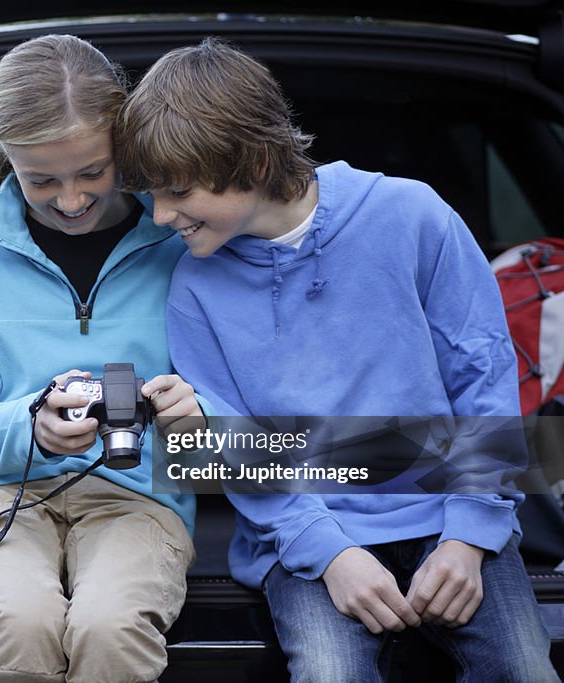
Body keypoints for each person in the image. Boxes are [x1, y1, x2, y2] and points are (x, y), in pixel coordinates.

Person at [115, 37, 559, 682]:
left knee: (523, 670)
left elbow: (485, 379)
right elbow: (227, 446)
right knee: (330, 673)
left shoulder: (412, 217)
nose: (159, 216)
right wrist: (329, 553)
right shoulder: (194, 287)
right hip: (305, 533)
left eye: (178, 190)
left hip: (451, 514)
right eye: (152, 194)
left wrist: (469, 535)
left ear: (257, 162)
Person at [0, 34, 202, 683]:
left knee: (110, 627)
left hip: (139, 495)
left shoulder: (178, 232)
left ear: (124, 149)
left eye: (93, 172)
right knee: (19, 622)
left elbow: (231, 396)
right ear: (4, 156)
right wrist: (33, 425)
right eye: (41, 178)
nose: (72, 200)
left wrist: (194, 412)